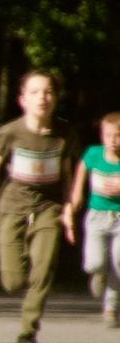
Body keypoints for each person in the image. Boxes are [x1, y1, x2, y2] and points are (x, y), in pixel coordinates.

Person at [0, 70, 71, 343]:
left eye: (48, 92)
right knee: (14, 282)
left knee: (44, 268)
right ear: (22, 100)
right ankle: (17, 278)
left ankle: (28, 332)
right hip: (12, 207)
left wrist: (68, 208)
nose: (42, 98)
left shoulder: (64, 133)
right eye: (35, 92)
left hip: (48, 208)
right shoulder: (10, 133)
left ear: (55, 98)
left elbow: (68, 174)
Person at [67, 110, 120, 330]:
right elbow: (82, 167)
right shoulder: (94, 154)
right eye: (108, 135)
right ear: (102, 135)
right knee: (94, 262)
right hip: (97, 216)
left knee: (119, 262)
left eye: (118, 136)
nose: (113, 141)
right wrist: (76, 193)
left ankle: (111, 307)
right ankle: (98, 273)